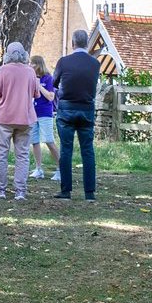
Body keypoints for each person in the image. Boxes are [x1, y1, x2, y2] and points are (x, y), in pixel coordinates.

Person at [52, 29, 101, 201]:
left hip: (66, 109)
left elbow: (54, 83)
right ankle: (89, 193)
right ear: (86, 44)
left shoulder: (64, 62)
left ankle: (66, 191)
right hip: (86, 108)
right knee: (87, 150)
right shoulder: (95, 64)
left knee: (66, 149)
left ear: (72, 43)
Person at [0, 42, 39, 200]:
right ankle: (20, 191)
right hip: (25, 116)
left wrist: (1, 104)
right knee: (22, 155)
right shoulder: (30, 72)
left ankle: (0, 190)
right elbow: (35, 94)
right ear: (24, 54)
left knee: (1, 154)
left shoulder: (3, 70)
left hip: (5, 117)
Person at [29, 55, 60, 180]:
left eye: (32, 64)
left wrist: (39, 86)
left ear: (38, 65)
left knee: (48, 140)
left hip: (45, 113)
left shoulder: (48, 78)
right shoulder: (30, 78)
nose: (30, 66)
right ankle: (38, 169)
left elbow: (50, 97)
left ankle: (60, 169)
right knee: (34, 141)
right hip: (33, 113)